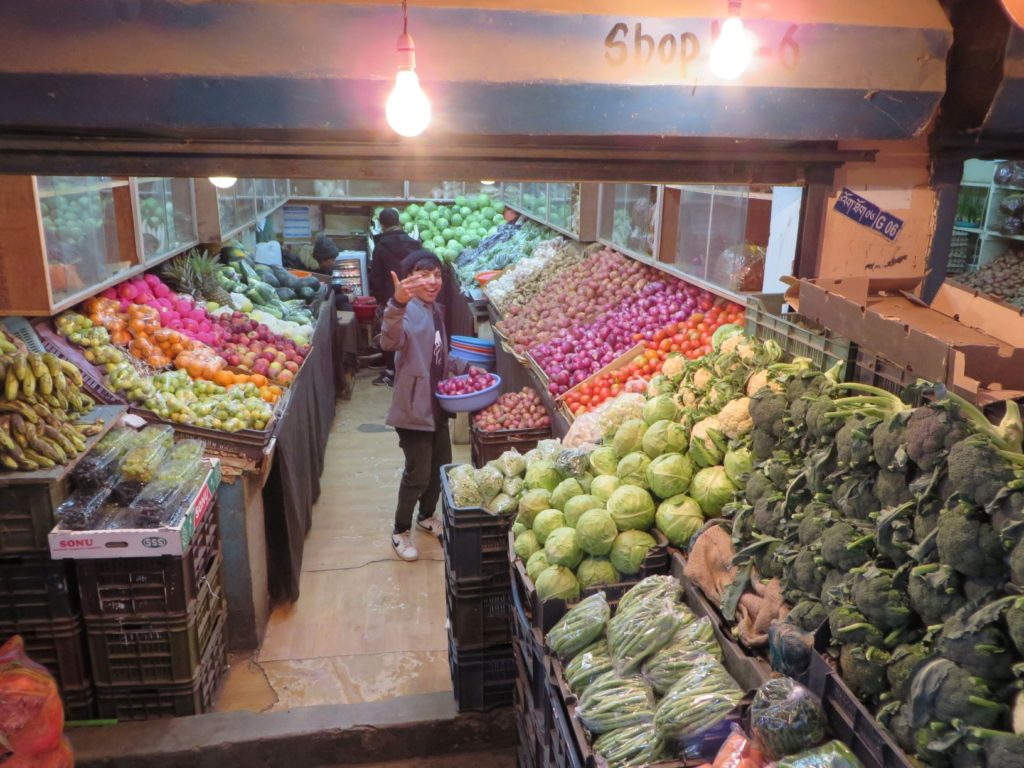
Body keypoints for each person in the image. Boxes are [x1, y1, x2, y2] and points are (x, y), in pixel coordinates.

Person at [380, 249, 484, 562]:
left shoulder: (434, 310)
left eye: (436, 274)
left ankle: (426, 516)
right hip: (413, 409)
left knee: (440, 468)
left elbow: (441, 356)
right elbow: (388, 341)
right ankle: (400, 530)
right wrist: (396, 303)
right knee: (417, 473)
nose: (432, 280)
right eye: (423, 274)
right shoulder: (408, 309)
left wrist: (465, 368)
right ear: (409, 278)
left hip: (435, 404)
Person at [369, 208, 421, 387]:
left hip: (391, 298)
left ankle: (391, 372)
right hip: (414, 295)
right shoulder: (414, 244)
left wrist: (377, 298)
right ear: (398, 221)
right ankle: (407, 368)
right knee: (410, 332)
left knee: (391, 332)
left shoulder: (381, 246)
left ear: (382, 225)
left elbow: (376, 276)